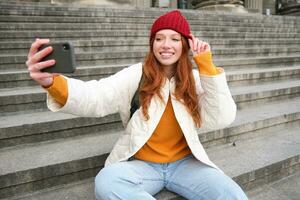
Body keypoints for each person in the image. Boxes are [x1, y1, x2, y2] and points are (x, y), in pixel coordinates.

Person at [26, 10, 248, 200]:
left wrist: (207, 67)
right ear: (152, 44)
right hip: (142, 166)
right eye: (159, 38)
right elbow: (97, 96)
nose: (166, 45)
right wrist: (52, 83)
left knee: (233, 194)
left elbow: (222, 118)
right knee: (107, 182)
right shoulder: (137, 74)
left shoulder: (197, 79)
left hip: (186, 165)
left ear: (185, 44)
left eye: (174, 38)